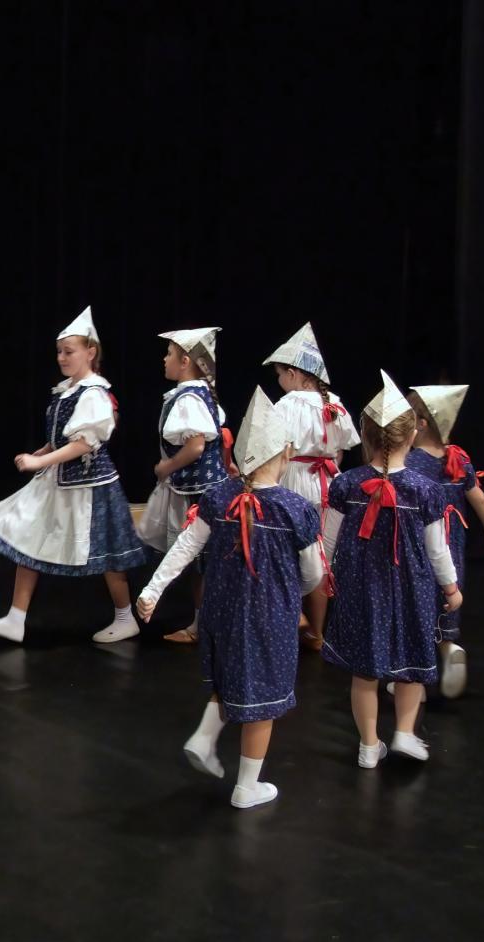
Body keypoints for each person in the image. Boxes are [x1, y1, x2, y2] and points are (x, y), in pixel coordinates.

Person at [138, 388, 325, 809]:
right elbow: (313, 572)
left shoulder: (219, 496)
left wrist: (153, 589)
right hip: (268, 614)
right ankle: (247, 786)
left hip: (221, 609)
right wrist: (296, 595)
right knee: (262, 698)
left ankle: (205, 738)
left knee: (232, 672)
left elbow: (187, 545)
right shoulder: (295, 509)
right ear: (286, 453)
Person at [321, 372, 462, 767]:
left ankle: (369, 746)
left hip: (360, 589)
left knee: (364, 672)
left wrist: (324, 577)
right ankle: (403, 732)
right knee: (411, 666)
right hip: (410, 589)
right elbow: (438, 549)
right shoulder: (425, 489)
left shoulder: (346, 484)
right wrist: (451, 587)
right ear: (412, 436)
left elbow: (328, 540)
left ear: (365, 436)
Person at [0, 307, 147, 645]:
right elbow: (63, 438)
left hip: (92, 485)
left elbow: (84, 443)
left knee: (109, 555)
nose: (61, 357)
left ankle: (125, 617)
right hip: (59, 481)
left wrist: (40, 461)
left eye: (68, 351)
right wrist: (43, 452)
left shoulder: (93, 394)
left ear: (90, 352)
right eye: (59, 351)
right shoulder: (68, 391)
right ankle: (16, 618)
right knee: (29, 539)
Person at [404, 384, 484, 698]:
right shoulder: (458, 459)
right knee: (448, 595)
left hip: (422, 543)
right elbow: (480, 499)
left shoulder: (411, 464)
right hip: (453, 542)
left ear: (421, 423)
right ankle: (449, 647)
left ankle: (413, 679)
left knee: (417, 601)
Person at [262, 322, 360, 650]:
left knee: (288, 550)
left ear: (292, 373)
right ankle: (317, 632)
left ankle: (295, 620)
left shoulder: (287, 405)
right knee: (320, 555)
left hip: (293, 479)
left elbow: (275, 447)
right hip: (328, 483)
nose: (279, 381)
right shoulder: (334, 403)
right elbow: (341, 448)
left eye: (279, 374)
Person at [135, 327, 228, 643]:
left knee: (198, 556)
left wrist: (167, 466)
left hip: (199, 491)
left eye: (170, 354)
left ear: (186, 361)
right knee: (200, 558)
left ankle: (202, 627)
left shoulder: (189, 399)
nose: (165, 359)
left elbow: (196, 446)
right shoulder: (199, 394)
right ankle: (201, 623)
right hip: (200, 488)